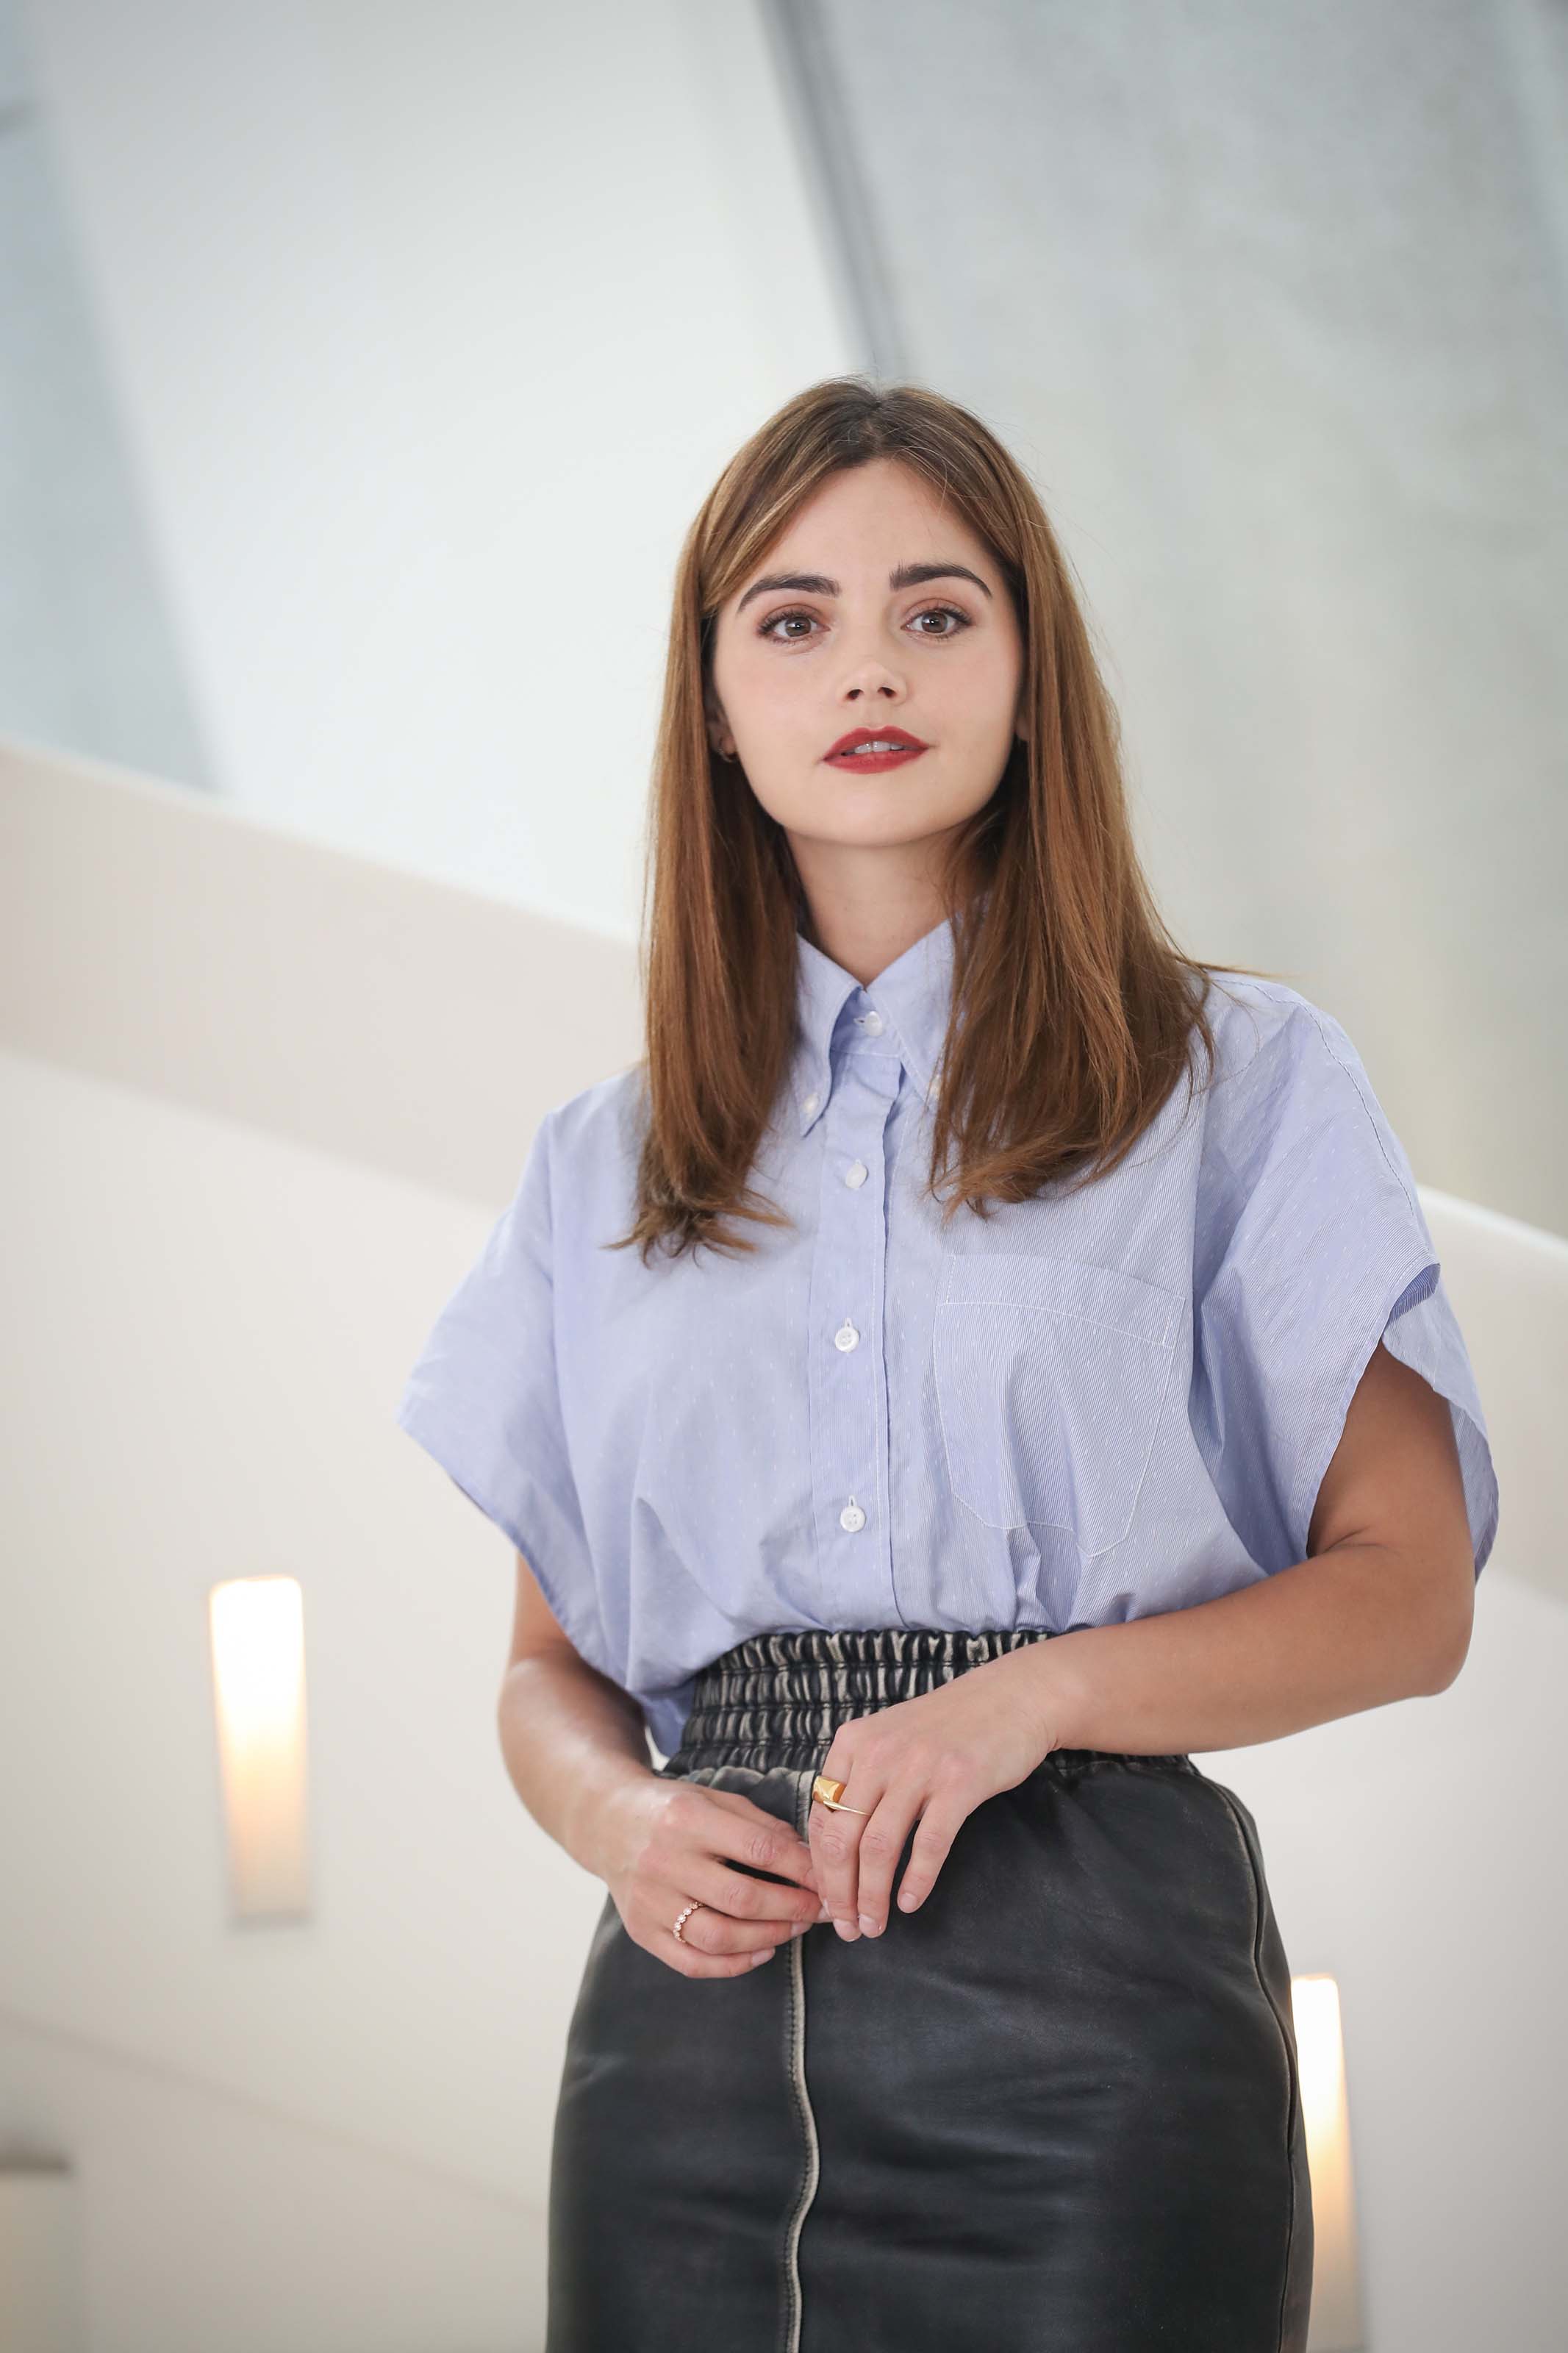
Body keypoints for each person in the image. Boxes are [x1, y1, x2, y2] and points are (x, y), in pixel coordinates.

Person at [394, 378, 1498, 2352]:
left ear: (1027, 669)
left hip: (1098, 2027)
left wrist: (1029, 1700)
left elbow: (1411, 1600)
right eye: (793, 620)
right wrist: (621, 1823)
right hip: (690, 2063)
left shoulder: (1244, 1085)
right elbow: (544, 1670)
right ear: (715, 705)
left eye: (938, 609)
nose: (869, 665)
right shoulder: (604, 1164)